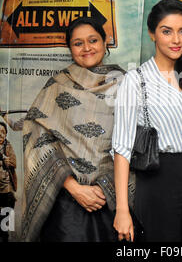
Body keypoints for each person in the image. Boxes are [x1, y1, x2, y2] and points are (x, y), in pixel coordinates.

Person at [21, 16, 134, 242]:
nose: (86, 48)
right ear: (70, 48)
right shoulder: (57, 86)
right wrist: (74, 188)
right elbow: (37, 139)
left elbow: (138, 142)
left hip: (112, 202)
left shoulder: (127, 84)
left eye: (93, 40)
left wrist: (107, 189)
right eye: (78, 43)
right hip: (65, 204)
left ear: (105, 43)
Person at [112, 0, 182, 242]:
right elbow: (122, 148)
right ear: (152, 34)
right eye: (167, 31)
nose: (176, 40)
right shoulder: (136, 81)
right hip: (160, 181)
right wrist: (122, 209)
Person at [0, 122, 17, 242]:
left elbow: (14, 163)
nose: (0, 134)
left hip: (7, 187)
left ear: (6, 134)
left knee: (7, 214)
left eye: (3, 132)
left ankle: (6, 237)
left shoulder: (8, 147)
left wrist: (8, 162)